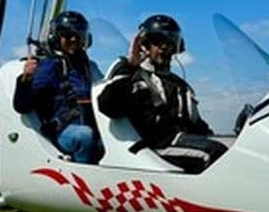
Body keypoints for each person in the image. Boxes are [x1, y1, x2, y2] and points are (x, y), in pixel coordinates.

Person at [98, 14, 227, 173]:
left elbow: (197, 125)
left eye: (170, 43)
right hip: (153, 147)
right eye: (158, 42)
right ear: (144, 44)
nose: (164, 47)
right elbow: (108, 107)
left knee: (232, 152)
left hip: (179, 141)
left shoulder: (181, 86)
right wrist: (130, 65)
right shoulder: (130, 76)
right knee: (216, 154)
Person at [13, 11, 102, 163]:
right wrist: (25, 79)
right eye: (67, 35)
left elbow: (104, 90)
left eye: (78, 34)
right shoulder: (49, 66)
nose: (74, 39)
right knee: (84, 135)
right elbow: (23, 107)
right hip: (64, 131)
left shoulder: (89, 67)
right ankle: (85, 178)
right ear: (56, 37)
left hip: (94, 126)